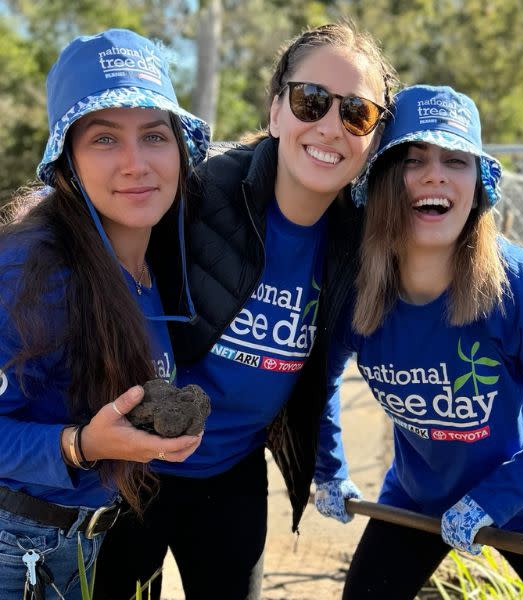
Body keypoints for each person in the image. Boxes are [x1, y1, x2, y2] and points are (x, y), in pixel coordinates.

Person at [94, 22, 396, 599]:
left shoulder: (357, 245)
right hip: (134, 468)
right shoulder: (195, 195)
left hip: (231, 473)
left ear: (373, 137)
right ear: (277, 109)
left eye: (357, 113)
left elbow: (324, 367)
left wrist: (328, 462)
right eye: (312, 101)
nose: (331, 126)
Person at [308, 84, 523, 599]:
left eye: (455, 160)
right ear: (381, 183)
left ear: (477, 184)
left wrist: (493, 499)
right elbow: (315, 381)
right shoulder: (355, 290)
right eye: (412, 159)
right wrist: (327, 467)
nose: (435, 174)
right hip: (417, 499)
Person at [0, 28, 209, 600]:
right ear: (68, 158)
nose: (137, 163)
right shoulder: (30, 268)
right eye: (105, 139)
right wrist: (81, 445)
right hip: (17, 555)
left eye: (154, 135)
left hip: (91, 548)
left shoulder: (154, 258)